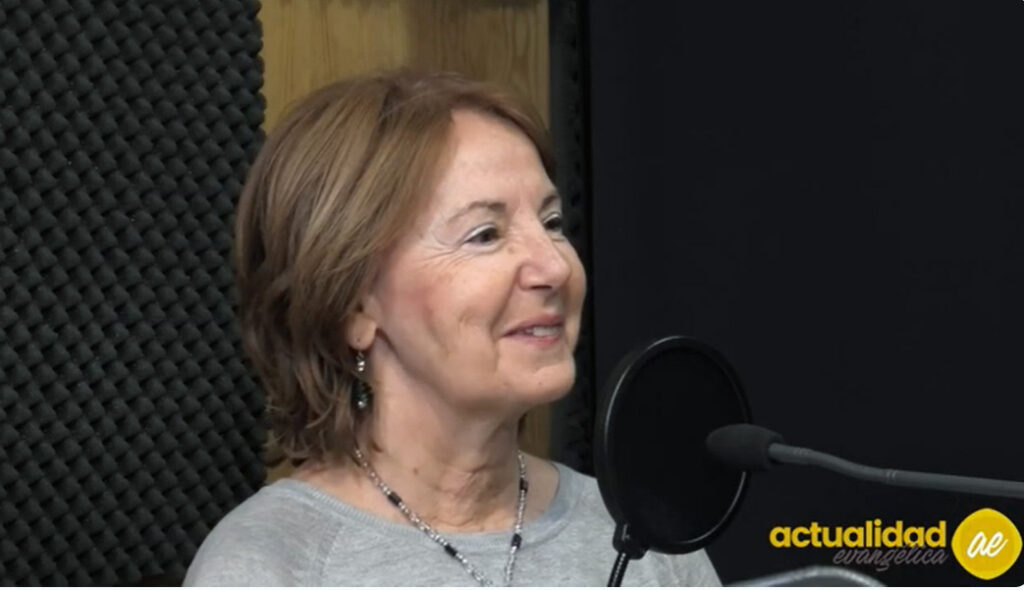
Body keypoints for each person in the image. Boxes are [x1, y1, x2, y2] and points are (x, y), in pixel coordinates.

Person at [184, 69, 720, 586]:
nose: (555, 266)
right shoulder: (268, 568)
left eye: (552, 223)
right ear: (353, 306)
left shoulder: (642, 539)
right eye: (485, 235)